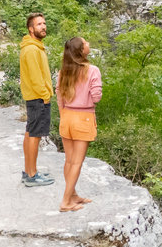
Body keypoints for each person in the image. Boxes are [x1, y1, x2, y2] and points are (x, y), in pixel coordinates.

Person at [55, 35, 101, 213]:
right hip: (83, 117)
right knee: (77, 163)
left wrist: (63, 113)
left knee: (69, 160)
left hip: (67, 116)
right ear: (81, 50)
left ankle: (73, 194)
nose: (88, 44)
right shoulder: (92, 70)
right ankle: (66, 201)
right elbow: (96, 96)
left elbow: (59, 94)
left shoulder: (64, 70)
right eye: (85, 43)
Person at [17, 12, 55, 187]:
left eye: (44, 23)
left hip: (35, 98)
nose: (43, 26)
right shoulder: (32, 49)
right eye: (39, 24)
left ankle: (29, 171)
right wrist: (45, 95)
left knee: (30, 133)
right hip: (38, 98)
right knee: (35, 136)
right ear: (31, 29)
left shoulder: (34, 46)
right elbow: (35, 77)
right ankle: (32, 175)